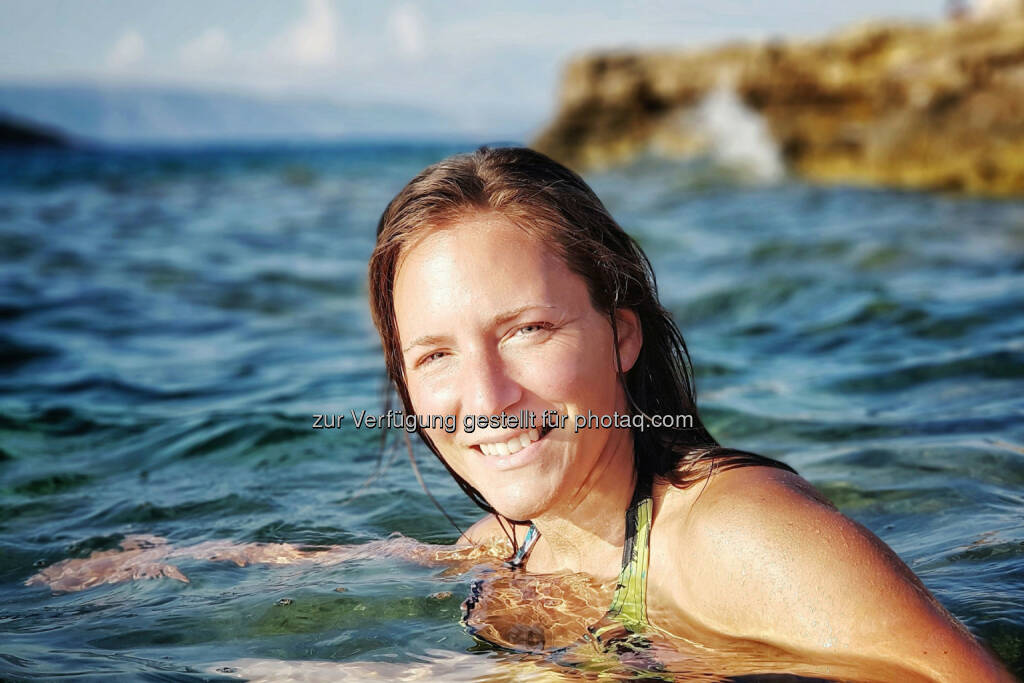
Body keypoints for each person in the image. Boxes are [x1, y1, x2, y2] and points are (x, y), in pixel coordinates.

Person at [28, 147, 1014, 682]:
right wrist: (201, 560)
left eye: (529, 328)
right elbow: (428, 559)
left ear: (621, 335)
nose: (486, 398)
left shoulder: (736, 537)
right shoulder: (519, 534)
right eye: (437, 353)